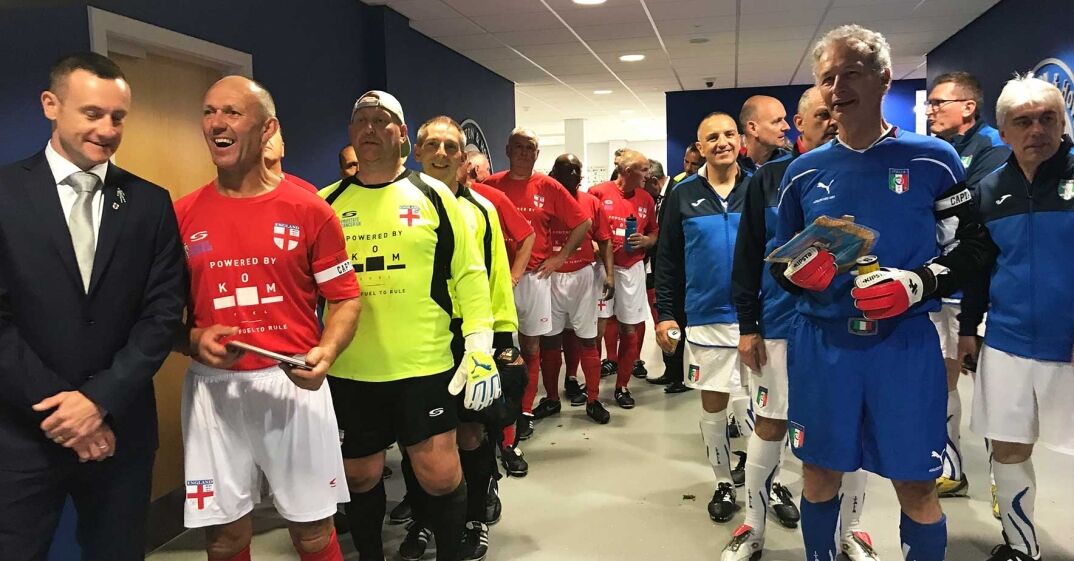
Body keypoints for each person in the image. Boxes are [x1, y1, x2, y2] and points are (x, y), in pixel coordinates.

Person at [771, 25, 996, 560]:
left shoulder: (934, 157)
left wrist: (916, 283)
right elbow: (779, 265)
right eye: (828, 78)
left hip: (904, 344)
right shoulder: (803, 172)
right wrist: (801, 274)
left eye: (851, 73)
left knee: (916, 482)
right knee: (820, 473)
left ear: (883, 79)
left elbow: (975, 248)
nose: (838, 86)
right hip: (823, 345)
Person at [0, 51, 185, 561]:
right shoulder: (5, 193)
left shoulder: (149, 203)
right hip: (21, 432)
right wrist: (67, 410)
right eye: (92, 113)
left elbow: (162, 314)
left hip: (120, 431)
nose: (107, 129)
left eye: (118, 117)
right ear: (50, 105)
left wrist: (99, 401)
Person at [176, 76, 360, 561]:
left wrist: (329, 350)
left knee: (314, 535)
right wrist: (191, 338)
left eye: (232, 113)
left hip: (292, 386)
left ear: (267, 127)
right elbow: (154, 317)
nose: (217, 122)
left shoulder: (310, 210)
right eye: (210, 111)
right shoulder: (180, 215)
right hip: (214, 393)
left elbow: (344, 299)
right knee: (223, 538)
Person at [319, 90, 498, 561]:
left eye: (382, 120)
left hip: (424, 365)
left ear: (402, 134)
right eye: (361, 120)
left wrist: (481, 345)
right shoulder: (325, 204)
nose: (371, 129)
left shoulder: (436, 196)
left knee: (438, 474)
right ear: (351, 132)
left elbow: (470, 275)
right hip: (351, 369)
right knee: (359, 476)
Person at [725, 86, 879, 560]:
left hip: (847, 326)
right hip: (779, 326)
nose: (833, 120)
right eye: (821, 113)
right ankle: (752, 526)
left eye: (838, 111)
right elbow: (748, 255)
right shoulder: (770, 178)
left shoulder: (868, 171)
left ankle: (852, 529)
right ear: (801, 122)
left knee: (851, 426)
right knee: (770, 424)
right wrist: (748, 326)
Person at [396, 115, 520, 561]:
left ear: (464, 157)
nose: (442, 153)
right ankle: (425, 519)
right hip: (420, 341)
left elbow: (495, 279)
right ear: (418, 152)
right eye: (433, 145)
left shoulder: (481, 209)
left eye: (452, 146)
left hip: (472, 338)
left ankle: (473, 517)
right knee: (419, 438)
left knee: (471, 433)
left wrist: (503, 341)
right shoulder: (399, 204)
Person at [962, 75, 1074, 561]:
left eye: (1048, 118)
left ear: (1063, 122)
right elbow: (979, 266)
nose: (1037, 129)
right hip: (1006, 341)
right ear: (1003, 130)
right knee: (1007, 449)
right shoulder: (989, 190)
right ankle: (1022, 547)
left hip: (1067, 344)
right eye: (1023, 121)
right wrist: (968, 328)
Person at [655, 112, 752, 524]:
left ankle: (769, 481)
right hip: (706, 315)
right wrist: (664, 314)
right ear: (699, 147)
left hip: (756, 318)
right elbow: (668, 260)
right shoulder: (682, 194)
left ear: (741, 140)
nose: (722, 143)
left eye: (729, 134)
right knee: (714, 404)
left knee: (761, 408)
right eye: (712, 137)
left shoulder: (760, 188)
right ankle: (723, 483)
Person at [924, 70, 1010, 500]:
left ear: (968, 107)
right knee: (944, 381)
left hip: (982, 287)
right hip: (944, 287)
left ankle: (1003, 481)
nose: (930, 110)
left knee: (993, 390)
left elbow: (966, 210)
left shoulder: (993, 148)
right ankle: (951, 467)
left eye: (939, 102)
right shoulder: (938, 150)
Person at [484, 128, 590, 443]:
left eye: (529, 147)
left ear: (536, 153)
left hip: (534, 278)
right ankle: (494, 415)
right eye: (517, 146)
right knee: (496, 349)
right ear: (507, 149)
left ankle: (524, 411)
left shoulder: (549, 186)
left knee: (531, 347)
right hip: (496, 279)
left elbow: (582, 222)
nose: (523, 152)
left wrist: (560, 258)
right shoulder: (489, 186)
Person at [536, 153, 615, 423]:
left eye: (575, 169)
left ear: (581, 176)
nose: (570, 174)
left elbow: (605, 241)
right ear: (553, 173)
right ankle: (551, 399)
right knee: (550, 341)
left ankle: (593, 399)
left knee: (588, 339)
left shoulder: (591, 203)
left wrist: (610, 276)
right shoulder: (544, 201)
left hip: (583, 276)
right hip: (550, 277)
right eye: (564, 169)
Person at [590, 150, 658, 409]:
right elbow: (583, 226)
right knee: (595, 330)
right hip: (602, 271)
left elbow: (654, 230)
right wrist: (594, 247)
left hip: (632, 270)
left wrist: (647, 240)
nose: (647, 175)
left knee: (629, 329)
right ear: (627, 172)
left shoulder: (645, 199)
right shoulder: (598, 193)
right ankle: (593, 390)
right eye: (643, 170)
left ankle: (622, 386)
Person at [738, 95, 791, 172]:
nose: (787, 127)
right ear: (753, 128)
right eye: (777, 121)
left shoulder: (792, 165)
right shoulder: (730, 168)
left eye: (784, 119)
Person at [263, 126, 318, 193]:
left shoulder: (308, 191)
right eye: (256, 134)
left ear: (282, 148)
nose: (264, 138)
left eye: (271, 132)